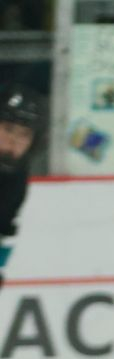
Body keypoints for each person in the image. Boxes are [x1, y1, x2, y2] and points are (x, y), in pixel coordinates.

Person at [0, 83, 42, 292]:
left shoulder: (16, 178)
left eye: (24, 134)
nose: (14, 141)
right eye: (8, 129)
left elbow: (5, 228)